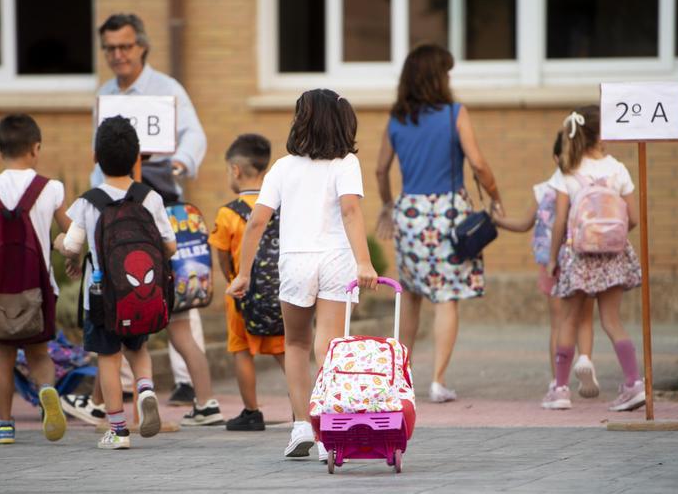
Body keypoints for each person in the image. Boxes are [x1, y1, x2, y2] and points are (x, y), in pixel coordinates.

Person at [227, 89, 378, 460]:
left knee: (294, 344)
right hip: (337, 261)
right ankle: (329, 432)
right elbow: (351, 213)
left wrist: (244, 273)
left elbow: (256, 222)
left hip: (294, 262)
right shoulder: (346, 163)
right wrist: (364, 262)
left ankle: (300, 427)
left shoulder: (282, 167)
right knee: (328, 345)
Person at [57, 117, 222, 449]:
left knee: (108, 358)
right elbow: (170, 245)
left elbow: (73, 245)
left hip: (101, 297)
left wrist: (61, 243)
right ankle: (146, 389)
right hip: (140, 294)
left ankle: (118, 430)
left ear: (95, 157)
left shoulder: (88, 201)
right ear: (136, 157)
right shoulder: (150, 198)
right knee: (139, 348)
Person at [86, 13, 208, 409]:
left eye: (125, 46)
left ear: (141, 46)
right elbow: (98, 152)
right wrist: (94, 194)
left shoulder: (166, 88)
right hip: (116, 204)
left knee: (175, 292)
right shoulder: (105, 94)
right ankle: (123, 385)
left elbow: (194, 134)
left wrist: (179, 162)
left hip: (161, 197)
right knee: (121, 287)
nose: (118, 55)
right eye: (110, 49)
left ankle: (189, 383)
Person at [375, 44, 502, 403]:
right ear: (436, 77)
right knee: (446, 299)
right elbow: (477, 163)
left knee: (412, 296)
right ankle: (438, 381)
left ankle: (400, 378)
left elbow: (380, 169)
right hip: (448, 215)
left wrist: (387, 204)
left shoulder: (396, 119)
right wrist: (495, 194)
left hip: (410, 214)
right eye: (446, 72)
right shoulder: (454, 114)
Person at [0, 114, 69, 443]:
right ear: (35, 148)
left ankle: (4, 424)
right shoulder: (50, 188)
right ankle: (47, 391)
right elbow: (70, 229)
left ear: (0, 150)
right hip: (38, 288)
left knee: (3, 358)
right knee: (39, 354)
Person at [543, 106, 644, 411]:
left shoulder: (567, 171)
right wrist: (611, 235)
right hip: (614, 255)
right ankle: (633, 383)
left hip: (579, 256)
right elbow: (634, 218)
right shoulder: (618, 169)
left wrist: (552, 258)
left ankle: (560, 389)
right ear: (601, 135)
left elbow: (560, 221)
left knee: (569, 321)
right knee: (612, 321)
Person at [493, 133, 598, 398]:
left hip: (552, 263)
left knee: (559, 323)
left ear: (555, 158)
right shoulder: (589, 186)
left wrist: (497, 220)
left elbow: (524, 223)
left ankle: (558, 382)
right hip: (583, 260)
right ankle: (584, 358)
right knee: (584, 317)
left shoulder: (544, 189)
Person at [209, 134, 285, 431]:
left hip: (241, 295)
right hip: (279, 292)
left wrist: (232, 278)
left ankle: (252, 412)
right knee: (284, 351)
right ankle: (303, 407)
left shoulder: (228, 213)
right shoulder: (278, 207)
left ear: (236, 170)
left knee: (242, 351)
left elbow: (223, 255)